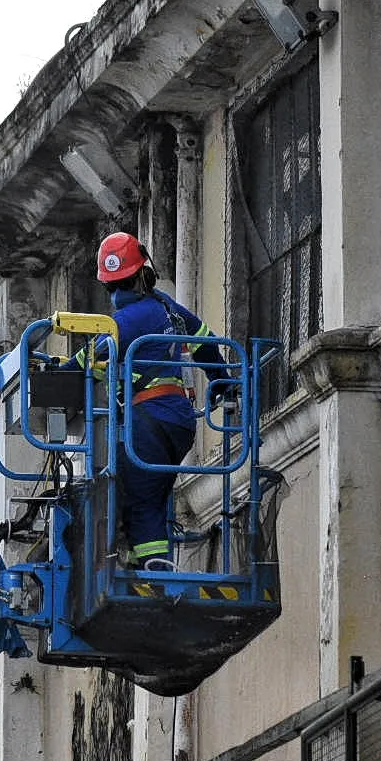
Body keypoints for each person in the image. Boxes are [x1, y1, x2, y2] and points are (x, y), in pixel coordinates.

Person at [89, 231, 230, 572]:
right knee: (151, 493)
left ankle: (152, 568)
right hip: (179, 423)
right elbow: (204, 341)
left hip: (147, 423)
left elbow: (87, 361)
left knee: (139, 499)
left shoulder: (122, 321)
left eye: (114, 286)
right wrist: (224, 384)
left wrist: (50, 373)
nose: (115, 293)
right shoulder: (166, 307)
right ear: (143, 272)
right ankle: (144, 561)